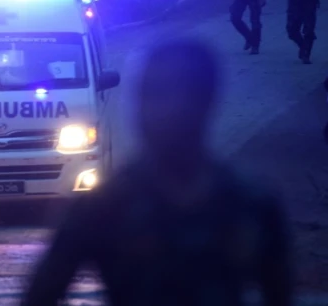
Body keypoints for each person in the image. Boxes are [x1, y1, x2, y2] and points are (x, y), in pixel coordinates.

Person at [22, 38, 292, 306]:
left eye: (184, 92)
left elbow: (279, 292)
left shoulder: (253, 203)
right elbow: (41, 294)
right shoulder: (103, 207)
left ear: (207, 99)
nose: (166, 109)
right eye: (151, 93)